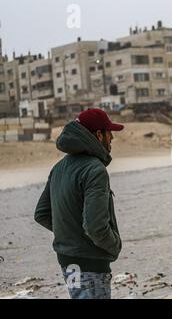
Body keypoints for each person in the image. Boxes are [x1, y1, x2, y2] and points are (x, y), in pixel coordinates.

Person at [34, 108, 124, 299]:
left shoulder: (59, 168)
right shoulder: (95, 170)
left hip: (68, 262)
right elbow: (95, 227)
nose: (112, 139)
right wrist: (115, 245)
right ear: (99, 135)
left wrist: (70, 235)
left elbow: (42, 214)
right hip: (90, 264)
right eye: (110, 133)